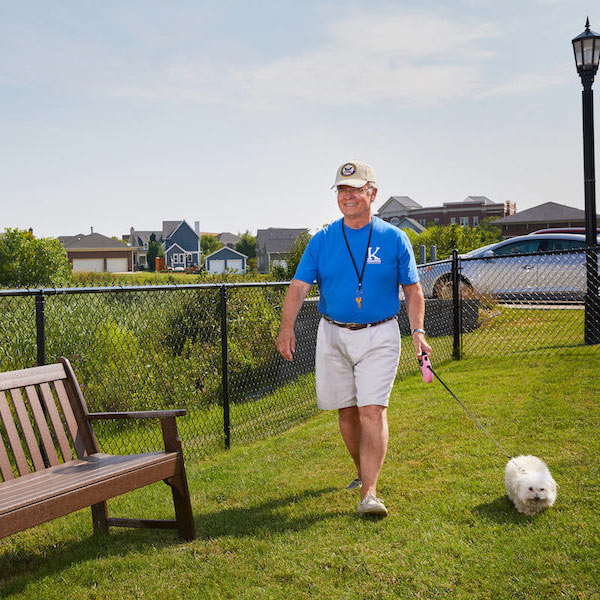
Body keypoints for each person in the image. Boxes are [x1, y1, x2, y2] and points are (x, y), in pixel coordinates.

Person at [276, 160, 431, 517]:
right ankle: (363, 474)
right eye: (342, 190)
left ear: (372, 193)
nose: (347, 196)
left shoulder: (394, 238)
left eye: (355, 189)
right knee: (347, 412)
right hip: (333, 334)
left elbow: (414, 290)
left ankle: (369, 493)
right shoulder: (323, 240)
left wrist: (419, 332)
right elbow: (299, 286)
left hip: (380, 333)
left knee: (372, 410)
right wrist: (286, 328)